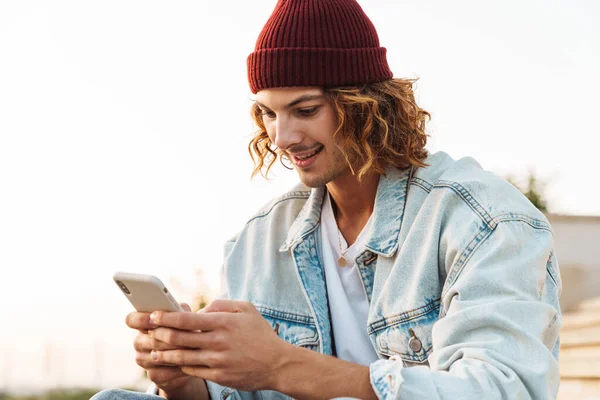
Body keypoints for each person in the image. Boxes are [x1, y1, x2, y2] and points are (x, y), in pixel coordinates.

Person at [92, 0, 562, 399]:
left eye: (306, 110)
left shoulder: (483, 219)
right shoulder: (259, 239)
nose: (282, 136)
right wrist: (186, 380)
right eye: (269, 113)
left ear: (367, 103)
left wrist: (281, 365)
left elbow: (498, 388)